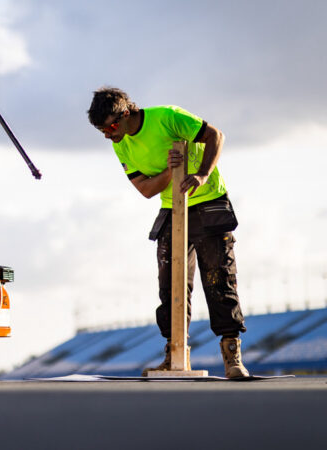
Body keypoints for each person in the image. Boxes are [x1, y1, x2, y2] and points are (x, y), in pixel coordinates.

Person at [87, 87, 249, 378]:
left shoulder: (167, 117)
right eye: (102, 131)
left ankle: (231, 356)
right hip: (172, 207)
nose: (108, 135)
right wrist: (171, 171)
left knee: (218, 278)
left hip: (209, 201)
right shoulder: (120, 143)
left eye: (111, 126)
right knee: (170, 285)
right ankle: (175, 356)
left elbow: (216, 136)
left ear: (126, 114)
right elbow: (146, 189)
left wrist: (200, 174)